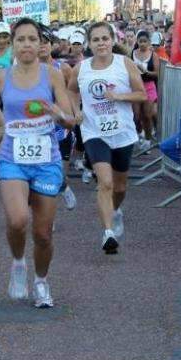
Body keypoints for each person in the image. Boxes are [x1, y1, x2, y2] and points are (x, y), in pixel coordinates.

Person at [0, 18, 75, 308]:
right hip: (12, 157)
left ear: (41, 43)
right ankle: (19, 263)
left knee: (43, 233)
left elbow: (70, 120)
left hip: (47, 159)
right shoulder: (1, 77)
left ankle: (42, 282)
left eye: (32, 39)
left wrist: (55, 110)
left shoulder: (52, 75)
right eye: (21, 39)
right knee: (18, 220)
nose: (27, 45)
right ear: (12, 44)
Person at [68, 22, 147, 254]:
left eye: (105, 38)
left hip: (122, 132)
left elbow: (142, 94)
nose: (101, 43)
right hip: (94, 132)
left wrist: (119, 96)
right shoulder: (81, 68)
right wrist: (76, 110)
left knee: (120, 187)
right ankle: (108, 233)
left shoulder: (125, 63)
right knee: (105, 182)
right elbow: (72, 90)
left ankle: (115, 210)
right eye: (96, 39)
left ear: (112, 40)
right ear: (89, 43)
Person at [38, 28, 77, 211]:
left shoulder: (64, 68)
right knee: (42, 175)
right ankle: (46, 215)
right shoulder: (24, 70)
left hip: (61, 128)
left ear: (51, 45)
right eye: (38, 42)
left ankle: (64, 186)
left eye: (45, 42)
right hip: (38, 128)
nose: (42, 46)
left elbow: (72, 92)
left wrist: (72, 113)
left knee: (59, 172)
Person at [131, 31, 160, 152]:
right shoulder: (132, 53)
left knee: (147, 115)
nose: (142, 44)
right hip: (136, 86)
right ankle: (139, 134)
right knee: (136, 116)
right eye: (140, 41)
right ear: (137, 42)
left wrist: (146, 71)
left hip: (149, 86)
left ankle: (148, 140)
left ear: (149, 42)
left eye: (145, 41)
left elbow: (157, 74)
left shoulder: (153, 55)